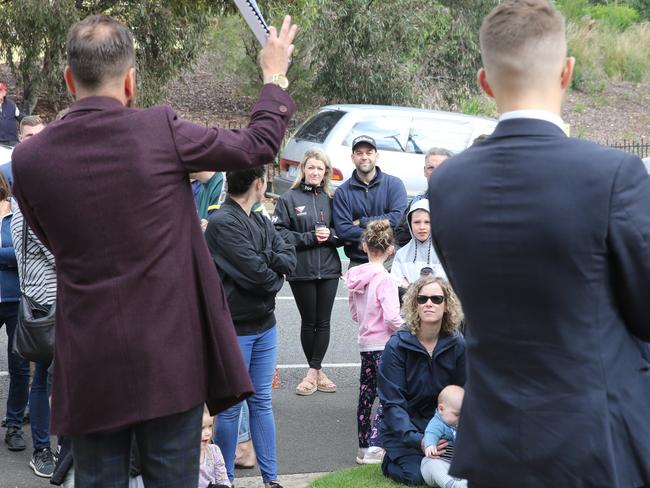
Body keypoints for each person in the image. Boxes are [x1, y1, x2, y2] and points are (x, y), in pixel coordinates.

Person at [11, 13, 297, 487]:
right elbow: (257, 146)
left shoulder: (30, 159)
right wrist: (274, 76)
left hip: (88, 358)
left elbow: (49, 237)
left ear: (67, 80)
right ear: (130, 81)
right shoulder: (160, 131)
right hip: (168, 358)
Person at [427, 1, 650, 486]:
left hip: (494, 441)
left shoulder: (447, 184)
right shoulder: (614, 175)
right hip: (595, 439)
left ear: (485, 82)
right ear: (567, 72)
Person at [205, 167, 296, 488]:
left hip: (265, 326)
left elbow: (289, 255)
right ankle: (224, 479)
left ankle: (271, 480)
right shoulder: (221, 223)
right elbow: (259, 276)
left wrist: (270, 262)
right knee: (230, 409)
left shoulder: (259, 218)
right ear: (259, 185)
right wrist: (275, 272)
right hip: (235, 329)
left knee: (261, 403)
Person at [378, 276, 465, 486]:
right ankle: (388, 462)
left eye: (436, 299)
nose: (429, 303)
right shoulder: (397, 346)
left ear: (446, 306)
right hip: (405, 432)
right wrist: (420, 440)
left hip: (443, 425)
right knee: (417, 477)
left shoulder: (457, 344)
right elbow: (392, 404)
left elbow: (466, 392)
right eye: (422, 299)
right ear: (414, 305)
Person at [273, 148, 342, 395]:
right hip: (301, 269)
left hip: (330, 270)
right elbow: (279, 234)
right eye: (311, 167)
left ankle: (314, 372)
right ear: (303, 169)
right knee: (308, 321)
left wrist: (331, 236)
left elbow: (341, 232)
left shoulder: (332, 199)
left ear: (326, 173)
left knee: (323, 322)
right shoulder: (288, 199)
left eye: (319, 169)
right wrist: (309, 237)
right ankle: (316, 372)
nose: (315, 172)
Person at [344, 219, 403, 465]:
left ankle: (363, 446)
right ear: (390, 249)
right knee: (387, 393)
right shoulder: (386, 279)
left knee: (365, 394)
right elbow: (391, 317)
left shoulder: (355, 278)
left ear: (364, 246)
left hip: (365, 342)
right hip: (385, 345)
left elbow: (355, 314)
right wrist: (409, 327)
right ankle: (378, 446)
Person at [333, 135, 407, 267]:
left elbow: (396, 218)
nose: (364, 157)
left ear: (376, 156)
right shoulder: (342, 192)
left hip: (390, 262)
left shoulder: (394, 184)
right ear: (353, 157)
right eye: (359, 153)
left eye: (369, 152)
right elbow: (343, 230)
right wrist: (382, 232)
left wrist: (361, 222)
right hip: (358, 262)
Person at [394, 148, 452, 247]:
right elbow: (400, 235)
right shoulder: (417, 201)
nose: (436, 173)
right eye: (431, 168)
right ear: (425, 171)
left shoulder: (462, 203)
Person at [391, 199, 446, 300]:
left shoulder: (444, 252)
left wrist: (409, 286)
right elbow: (395, 282)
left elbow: (443, 285)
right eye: (416, 222)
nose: (422, 227)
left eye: (427, 222)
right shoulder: (401, 254)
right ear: (410, 223)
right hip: (408, 311)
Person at [421, 385, 466, 488]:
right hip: (439, 461)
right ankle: (451, 485)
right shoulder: (438, 423)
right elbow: (431, 432)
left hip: (454, 465)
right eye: (457, 415)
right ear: (441, 409)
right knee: (432, 464)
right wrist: (430, 444)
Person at [199, 408, 230, 488]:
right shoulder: (182, 456)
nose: (208, 433)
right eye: (202, 428)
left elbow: (223, 480)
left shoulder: (214, 451)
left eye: (210, 426)